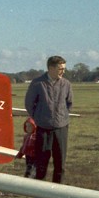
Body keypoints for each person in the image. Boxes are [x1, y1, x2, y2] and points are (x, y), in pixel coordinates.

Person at [24, 55, 73, 184]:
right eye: (60, 68)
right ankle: (40, 195)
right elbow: (29, 104)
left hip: (61, 128)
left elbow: (69, 103)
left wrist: (62, 117)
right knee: (42, 162)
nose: (63, 71)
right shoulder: (37, 83)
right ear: (51, 68)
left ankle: (57, 194)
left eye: (64, 68)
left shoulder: (66, 84)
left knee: (60, 163)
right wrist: (40, 118)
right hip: (43, 128)